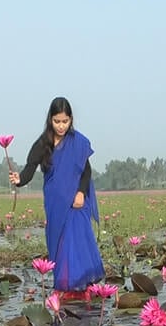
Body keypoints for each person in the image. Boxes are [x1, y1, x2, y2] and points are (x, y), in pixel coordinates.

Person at [9, 96, 105, 296]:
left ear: (71, 120)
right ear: (50, 120)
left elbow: (86, 171)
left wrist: (80, 193)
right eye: (57, 121)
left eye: (65, 121)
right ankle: (64, 287)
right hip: (55, 203)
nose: (61, 126)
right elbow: (29, 169)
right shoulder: (43, 143)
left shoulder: (77, 142)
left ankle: (80, 288)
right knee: (60, 245)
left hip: (76, 204)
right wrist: (19, 179)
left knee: (75, 244)